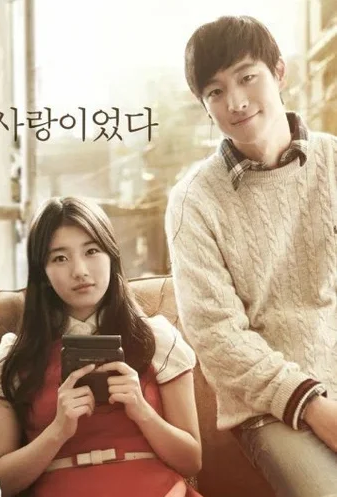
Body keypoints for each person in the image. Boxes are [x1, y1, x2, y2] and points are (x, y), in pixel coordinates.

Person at [166, 15, 337, 497]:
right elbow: (216, 335)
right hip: (272, 408)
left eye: (247, 77)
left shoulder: (333, 163)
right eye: (215, 92)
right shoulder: (193, 200)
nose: (236, 102)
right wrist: (314, 405)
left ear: (279, 72)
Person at [0, 196, 202, 497]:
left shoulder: (157, 338)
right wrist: (57, 431)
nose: (80, 270)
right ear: (42, 273)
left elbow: (191, 461)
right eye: (60, 258)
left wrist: (142, 411)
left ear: (111, 256)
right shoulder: (13, 356)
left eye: (91, 251)